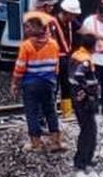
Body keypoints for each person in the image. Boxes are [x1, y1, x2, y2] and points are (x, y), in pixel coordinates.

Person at [11, 17, 64, 152]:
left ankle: (36, 144)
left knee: (32, 112)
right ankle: (56, 141)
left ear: (36, 29)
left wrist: (15, 84)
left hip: (30, 84)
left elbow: (20, 67)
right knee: (50, 111)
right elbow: (55, 66)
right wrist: (52, 80)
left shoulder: (26, 46)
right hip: (48, 82)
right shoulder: (53, 44)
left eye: (28, 27)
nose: (26, 30)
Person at [68, 32, 101, 171]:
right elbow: (79, 76)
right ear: (92, 46)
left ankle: (85, 159)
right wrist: (88, 92)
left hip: (76, 98)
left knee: (87, 129)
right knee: (89, 131)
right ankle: (82, 161)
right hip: (85, 100)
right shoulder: (86, 60)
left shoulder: (76, 55)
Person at [55, 0, 82, 116]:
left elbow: (82, 29)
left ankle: (66, 113)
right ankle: (51, 114)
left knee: (67, 85)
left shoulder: (71, 22)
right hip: (55, 60)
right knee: (54, 87)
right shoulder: (53, 22)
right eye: (73, 15)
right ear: (67, 12)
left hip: (66, 59)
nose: (74, 17)